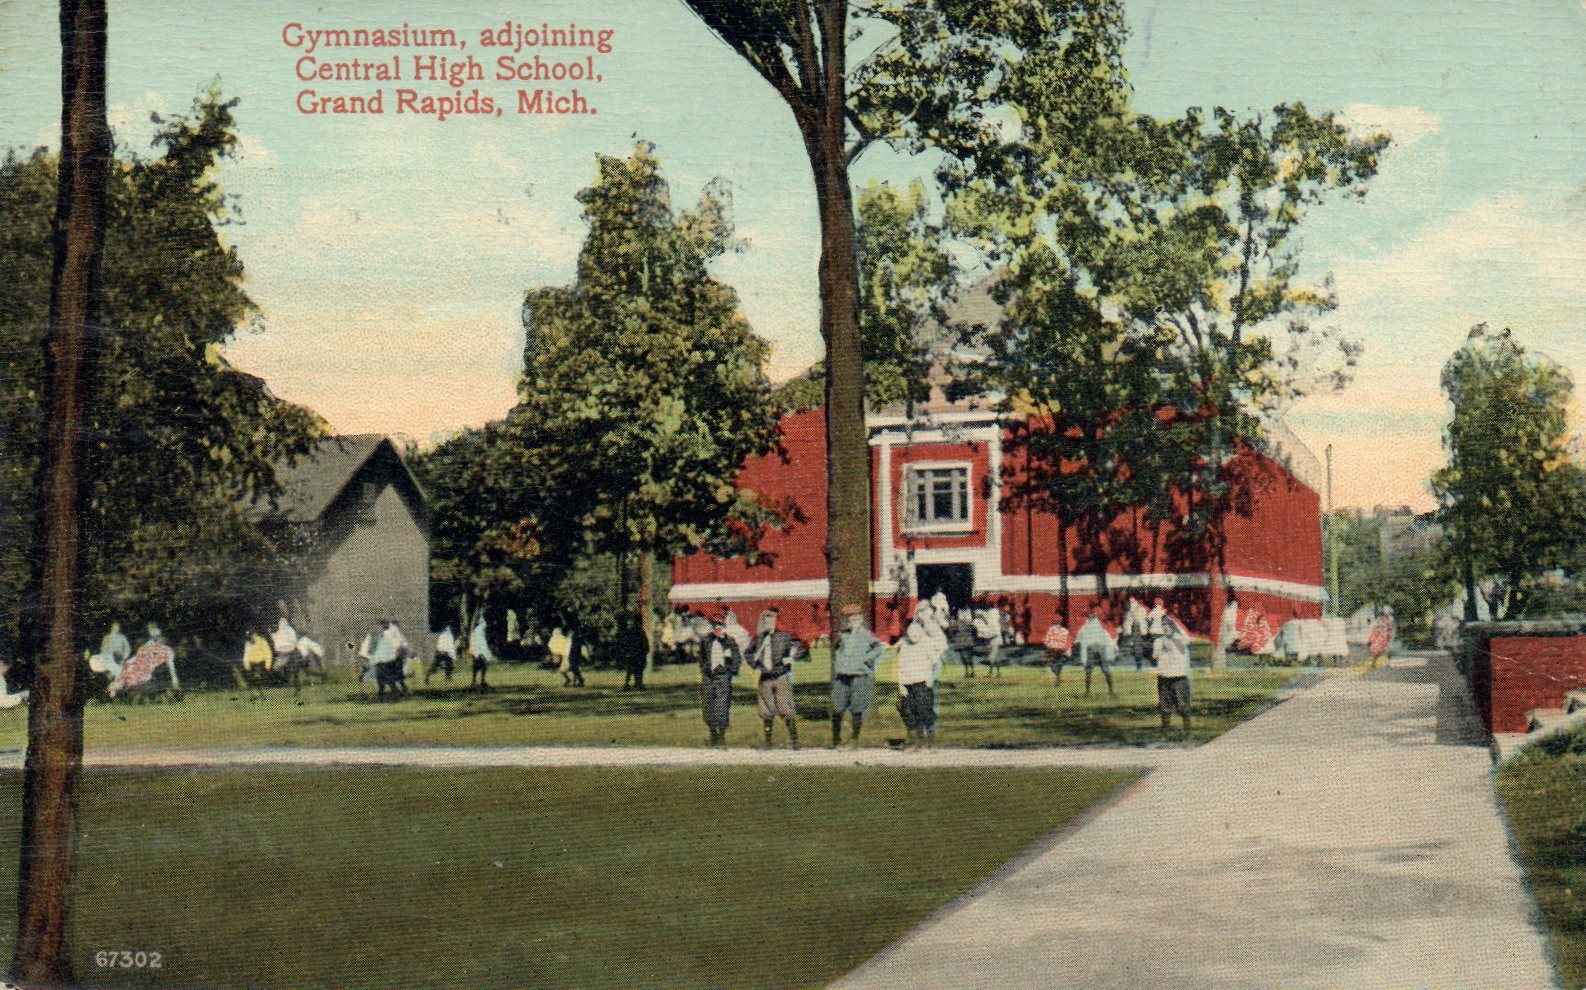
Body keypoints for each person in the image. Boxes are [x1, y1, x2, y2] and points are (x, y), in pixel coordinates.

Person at [745, 608, 805, 748]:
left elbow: (801, 646)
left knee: (786, 708)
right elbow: (748, 653)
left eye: (771, 620)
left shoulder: (784, 636)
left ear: (776, 621)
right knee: (766, 711)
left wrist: (791, 658)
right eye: (765, 621)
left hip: (780, 676)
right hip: (765, 677)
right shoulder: (759, 638)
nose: (768, 624)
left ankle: (794, 741)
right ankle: (768, 742)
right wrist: (755, 665)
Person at [830, 603, 885, 748]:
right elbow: (836, 649)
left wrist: (866, 659)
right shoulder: (842, 635)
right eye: (848, 619)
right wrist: (839, 662)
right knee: (837, 707)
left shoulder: (866, 635)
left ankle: (854, 739)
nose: (850, 622)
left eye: (854, 619)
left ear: (860, 619)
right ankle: (836, 739)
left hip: (859, 675)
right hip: (842, 676)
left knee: (857, 708)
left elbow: (879, 649)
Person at [895, 619, 942, 748]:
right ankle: (917, 742)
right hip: (906, 684)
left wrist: (931, 680)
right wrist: (900, 685)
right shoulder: (903, 645)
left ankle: (931, 743)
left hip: (922, 683)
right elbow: (900, 666)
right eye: (911, 633)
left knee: (925, 711)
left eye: (916, 633)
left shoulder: (927, 643)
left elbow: (936, 664)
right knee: (909, 712)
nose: (913, 636)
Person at [698, 617, 742, 745]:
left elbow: (737, 657)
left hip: (723, 675)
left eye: (719, 625)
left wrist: (731, 672)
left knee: (722, 704)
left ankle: (722, 734)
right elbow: (701, 656)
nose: (716, 628)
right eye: (714, 625)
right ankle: (713, 733)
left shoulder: (729, 641)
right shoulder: (706, 640)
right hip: (709, 676)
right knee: (708, 703)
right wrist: (705, 668)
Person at [1153, 613, 1193, 735]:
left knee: (1183, 706)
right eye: (1163, 625)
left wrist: (1176, 626)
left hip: (1179, 677)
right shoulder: (1159, 641)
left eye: (1168, 625)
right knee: (1165, 706)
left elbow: (1187, 639)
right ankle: (1165, 731)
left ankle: (1187, 730)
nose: (1166, 628)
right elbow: (1155, 656)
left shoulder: (1180, 640)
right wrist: (1161, 648)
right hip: (1164, 677)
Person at [1073, 606, 1117, 697]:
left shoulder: (1085, 627)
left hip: (1091, 648)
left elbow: (1077, 640)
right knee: (1106, 670)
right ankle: (1111, 691)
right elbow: (1108, 638)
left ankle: (1087, 692)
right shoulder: (1100, 627)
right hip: (1101, 648)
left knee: (1088, 671)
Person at [948, 608, 977, 679]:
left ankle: (971, 671)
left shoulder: (968, 623)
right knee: (965, 657)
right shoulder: (958, 623)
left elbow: (974, 630)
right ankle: (968, 671)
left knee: (967, 657)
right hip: (963, 642)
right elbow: (952, 631)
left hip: (966, 641)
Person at [1042, 617, 1071, 685]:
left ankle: (1056, 673)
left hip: (1053, 650)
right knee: (1059, 663)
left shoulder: (1050, 630)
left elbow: (1046, 642)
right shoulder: (1065, 630)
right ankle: (1058, 675)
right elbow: (1068, 641)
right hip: (1062, 650)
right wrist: (1068, 651)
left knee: (1052, 663)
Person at [469, 614, 494, 690]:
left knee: (482, 665)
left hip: (480, 649)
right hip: (478, 649)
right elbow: (477, 640)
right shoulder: (478, 629)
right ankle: (475, 682)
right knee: (478, 665)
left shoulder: (480, 629)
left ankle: (481, 681)